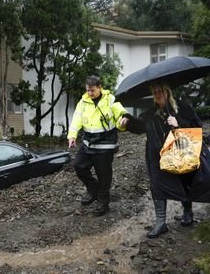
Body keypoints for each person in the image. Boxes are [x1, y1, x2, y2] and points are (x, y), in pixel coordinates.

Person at [123, 83, 210, 238]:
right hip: (158, 157)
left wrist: (179, 124)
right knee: (157, 186)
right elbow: (139, 126)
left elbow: (197, 126)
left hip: (181, 153)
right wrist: (127, 121)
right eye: (154, 91)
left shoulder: (182, 108)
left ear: (168, 92)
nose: (157, 93)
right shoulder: (151, 113)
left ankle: (187, 213)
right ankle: (161, 223)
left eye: (160, 90)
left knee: (185, 183)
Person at [68, 75, 129, 216]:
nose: (90, 93)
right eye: (88, 90)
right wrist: (72, 136)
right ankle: (93, 190)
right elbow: (76, 120)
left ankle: (103, 202)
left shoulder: (110, 99)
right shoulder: (83, 102)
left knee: (103, 174)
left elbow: (120, 113)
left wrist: (123, 121)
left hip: (105, 143)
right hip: (88, 142)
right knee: (79, 166)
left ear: (100, 88)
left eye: (92, 91)